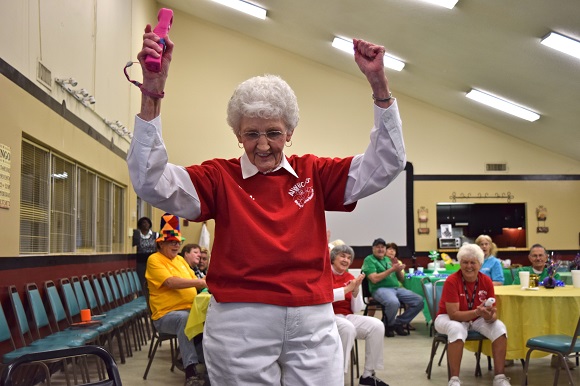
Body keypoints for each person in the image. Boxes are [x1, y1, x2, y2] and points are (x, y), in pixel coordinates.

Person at [127, 22, 405, 385]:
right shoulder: (218, 177)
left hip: (312, 319)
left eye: (273, 133)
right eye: (251, 134)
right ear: (236, 133)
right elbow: (150, 181)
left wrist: (379, 86)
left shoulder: (314, 173)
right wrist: (152, 92)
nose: (262, 145)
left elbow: (387, 163)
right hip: (241, 322)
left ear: (289, 133)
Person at [434, 243, 511, 386]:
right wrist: (477, 312)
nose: (469, 266)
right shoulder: (452, 281)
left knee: (500, 328)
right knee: (456, 329)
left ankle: (500, 377)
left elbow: (492, 314)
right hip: (446, 317)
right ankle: (454, 380)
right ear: (460, 263)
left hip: (476, 317)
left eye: (472, 262)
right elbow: (453, 315)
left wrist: (489, 316)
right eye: (465, 262)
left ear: (480, 264)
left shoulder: (486, 281)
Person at [146, 213, 208, 386]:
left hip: (190, 309)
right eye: (172, 241)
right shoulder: (154, 260)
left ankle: (209, 365)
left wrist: (208, 287)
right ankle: (191, 372)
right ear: (161, 243)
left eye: (178, 241)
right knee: (185, 319)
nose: (176, 244)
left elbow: (197, 286)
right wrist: (201, 281)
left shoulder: (180, 260)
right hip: (165, 316)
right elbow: (170, 282)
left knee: (212, 317)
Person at [330, 244, 388, 386]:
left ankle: (368, 375)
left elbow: (356, 308)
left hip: (346, 316)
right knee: (347, 328)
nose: (346, 260)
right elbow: (324, 297)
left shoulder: (350, 276)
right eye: (342, 256)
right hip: (328, 316)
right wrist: (346, 289)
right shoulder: (324, 274)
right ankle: (338, 377)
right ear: (333, 258)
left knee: (377, 325)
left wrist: (355, 291)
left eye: (349, 258)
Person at [512, 244, 570, 370]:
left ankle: (558, 356)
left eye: (540, 255)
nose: (538, 258)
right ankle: (510, 354)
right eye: (534, 255)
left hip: (549, 311)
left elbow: (559, 293)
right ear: (529, 258)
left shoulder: (554, 274)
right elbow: (514, 289)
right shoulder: (522, 272)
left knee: (560, 319)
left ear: (546, 257)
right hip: (526, 311)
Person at [361, 238, 423, 337]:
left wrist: (398, 270)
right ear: (373, 249)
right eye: (378, 247)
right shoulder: (369, 260)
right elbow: (374, 279)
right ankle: (389, 325)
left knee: (419, 301)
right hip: (379, 289)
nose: (380, 249)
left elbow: (401, 280)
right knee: (393, 302)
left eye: (382, 247)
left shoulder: (388, 259)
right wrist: (391, 270)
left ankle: (397, 323)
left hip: (396, 288)